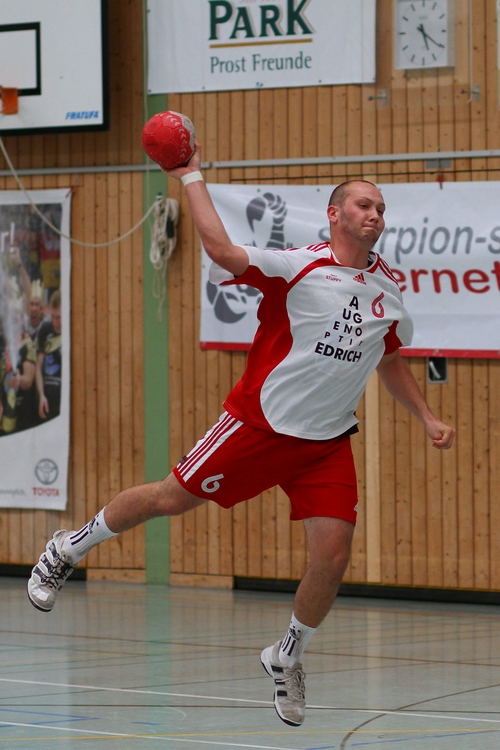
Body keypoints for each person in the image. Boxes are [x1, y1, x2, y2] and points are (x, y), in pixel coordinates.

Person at [27, 144, 455, 728]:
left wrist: (426, 416)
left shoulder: (388, 287)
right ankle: (68, 548)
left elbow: (389, 358)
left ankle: (287, 655)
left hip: (326, 442)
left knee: (332, 558)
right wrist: (190, 176)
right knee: (169, 499)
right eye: (363, 204)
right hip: (258, 426)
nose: (375, 214)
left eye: (380, 208)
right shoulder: (297, 266)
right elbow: (222, 252)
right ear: (334, 214)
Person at [35, 290, 62, 421]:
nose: (56, 321)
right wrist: (41, 395)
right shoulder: (45, 329)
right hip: (47, 396)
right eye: (53, 317)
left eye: (59, 317)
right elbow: (38, 367)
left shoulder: (71, 328)